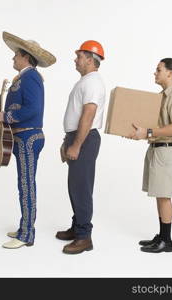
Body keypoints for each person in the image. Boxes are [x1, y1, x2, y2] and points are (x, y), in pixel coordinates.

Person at [0, 31, 56, 249]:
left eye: (16, 55)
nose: (13, 58)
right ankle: (25, 226)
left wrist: (7, 116)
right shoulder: (24, 77)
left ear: (25, 57)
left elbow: (33, 109)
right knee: (24, 183)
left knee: (26, 184)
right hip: (21, 136)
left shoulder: (30, 77)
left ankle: (27, 234)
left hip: (28, 136)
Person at [129, 58, 172, 254]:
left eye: (158, 70)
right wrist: (141, 132)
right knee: (158, 194)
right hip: (157, 149)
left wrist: (148, 132)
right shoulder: (161, 96)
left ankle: (167, 241)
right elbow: (155, 127)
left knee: (164, 196)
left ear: (170, 73)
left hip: (166, 150)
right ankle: (162, 236)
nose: (155, 73)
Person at [56, 40, 106, 254]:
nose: (75, 60)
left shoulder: (93, 82)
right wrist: (67, 141)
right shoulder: (86, 81)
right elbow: (77, 115)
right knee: (75, 186)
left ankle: (84, 237)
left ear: (89, 59)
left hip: (84, 139)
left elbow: (88, 114)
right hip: (77, 137)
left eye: (79, 56)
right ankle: (78, 227)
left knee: (81, 188)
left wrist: (76, 144)